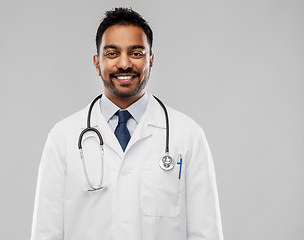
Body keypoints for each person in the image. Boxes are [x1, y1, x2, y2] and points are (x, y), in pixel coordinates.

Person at [30, 7, 223, 240]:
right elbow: (46, 233)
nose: (124, 64)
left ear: (151, 60)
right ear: (96, 62)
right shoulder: (63, 138)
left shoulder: (188, 135)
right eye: (112, 53)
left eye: (136, 53)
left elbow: (206, 233)